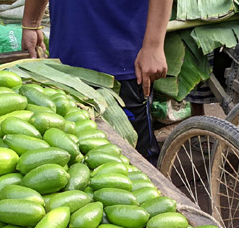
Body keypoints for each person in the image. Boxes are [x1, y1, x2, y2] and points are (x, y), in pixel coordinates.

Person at [21, 0, 173, 166]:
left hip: (118, 63)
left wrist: (153, 46)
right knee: (75, 156)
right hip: (65, 64)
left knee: (136, 160)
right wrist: (31, 24)